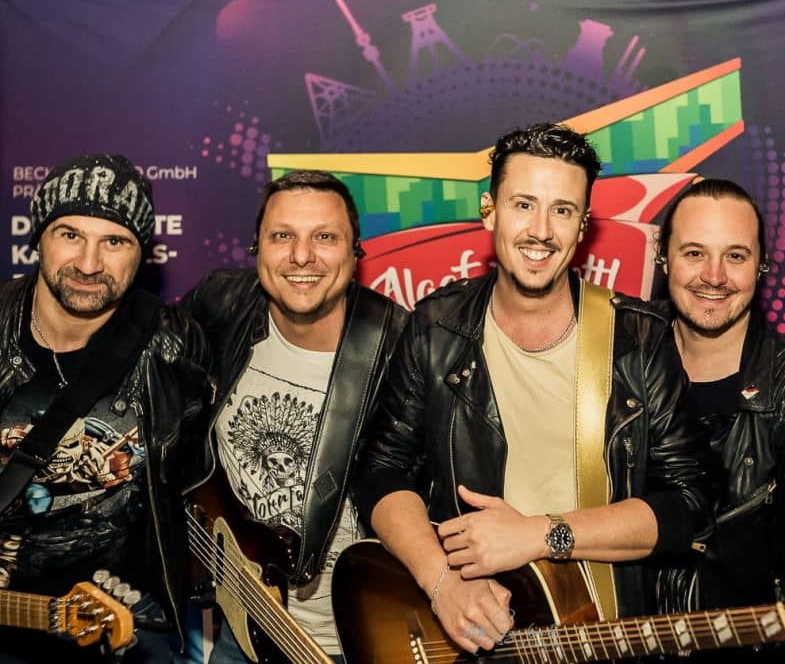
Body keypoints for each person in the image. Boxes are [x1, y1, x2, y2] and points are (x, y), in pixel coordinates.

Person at [353, 122, 711, 655]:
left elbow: (689, 506)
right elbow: (381, 472)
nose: (541, 231)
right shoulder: (436, 328)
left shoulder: (637, 339)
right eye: (524, 204)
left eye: (562, 210)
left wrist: (543, 533)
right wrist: (442, 581)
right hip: (472, 635)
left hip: (598, 634)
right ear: (489, 210)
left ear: (583, 226)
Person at [179, 170, 407, 662]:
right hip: (244, 624)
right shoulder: (219, 307)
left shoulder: (403, 351)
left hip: (358, 642)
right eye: (282, 236)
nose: (302, 256)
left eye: (324, 237)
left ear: (355, 252)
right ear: (256, 248)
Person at [0, 154, 209, 662]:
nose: (89, 264)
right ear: (39, 238)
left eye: (114, 241)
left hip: (125, 633)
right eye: (70, 234)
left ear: (142, 254)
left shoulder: (175, 350)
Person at [653, 179, 785, 629]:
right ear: (663, 258)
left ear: (761, 266)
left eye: (735, 256)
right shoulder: (621, 360)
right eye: (694, 253)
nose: (714, 276)